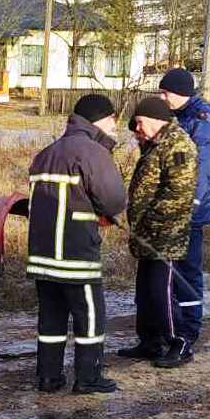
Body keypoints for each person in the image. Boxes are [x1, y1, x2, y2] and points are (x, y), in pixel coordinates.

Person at [27, 93, 128, 395]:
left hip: (43, 257)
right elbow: (113, 200)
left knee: (51, 319)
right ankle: (88, 378)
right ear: (100, 119)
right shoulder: (92, 153)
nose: (116, 126)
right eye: (113, 119)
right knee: (90, 316)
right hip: (76, 255)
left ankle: (48, 377)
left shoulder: (46, 153)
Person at [121, 95, 198, 370]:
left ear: (155, 120)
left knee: (160, 292)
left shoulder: (178, 146)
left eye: (140, 123)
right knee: (145, 292)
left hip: (165, 236)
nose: (137, 130)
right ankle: (149, 341)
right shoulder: (155, 144)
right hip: (148, 235)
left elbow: (178, 193)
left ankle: (179, 343)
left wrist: (149, 222)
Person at [158, 67, 210, 353]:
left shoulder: (202, 120)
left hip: (192, 209)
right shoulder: (180, 117)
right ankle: (170, 325)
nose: (163, 97)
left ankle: (189, 329)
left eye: (166, 92)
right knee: (170, 269)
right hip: (175, 206)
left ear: (181, 93)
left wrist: (192, 204)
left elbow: (203, 168)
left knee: (187, 270)